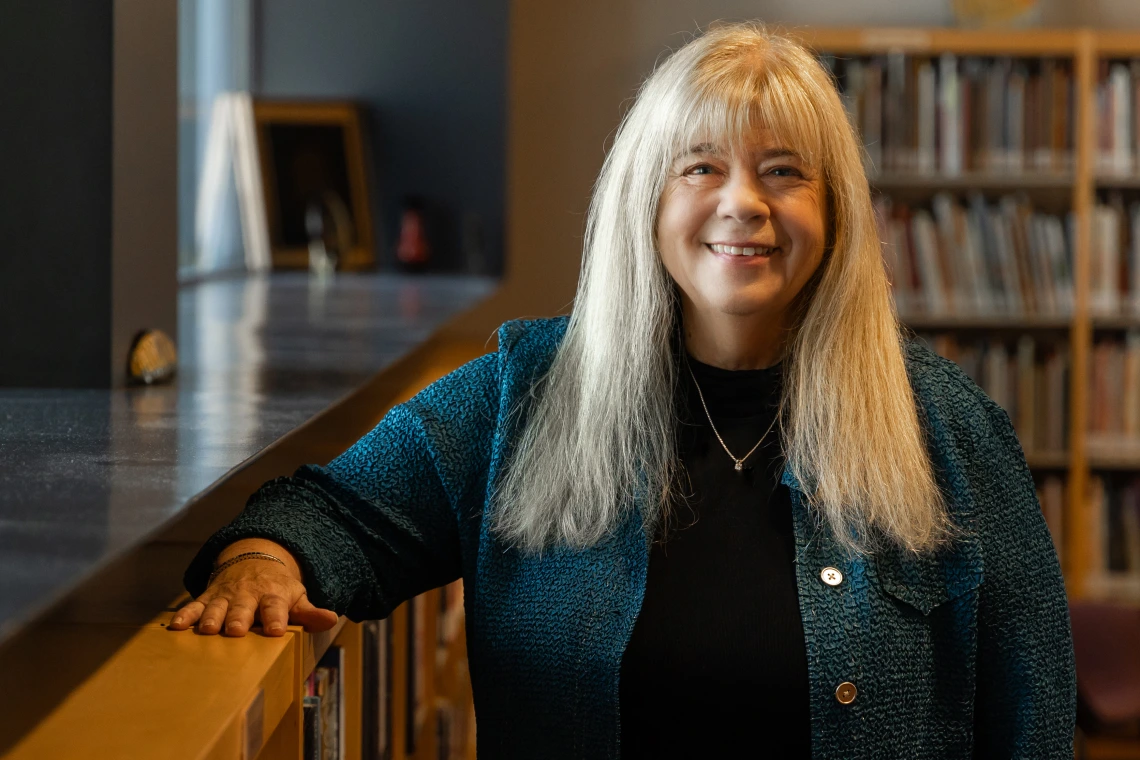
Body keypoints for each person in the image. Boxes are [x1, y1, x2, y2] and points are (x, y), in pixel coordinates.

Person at [170, 21, 1076, 758]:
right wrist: (263, 565)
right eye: (701, 167)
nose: (743, 203)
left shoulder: (950, 431)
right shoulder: (522, 398)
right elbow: (329, 514)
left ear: (835, 211)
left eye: (785, 171)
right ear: (648, 200)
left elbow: (1033, 721)